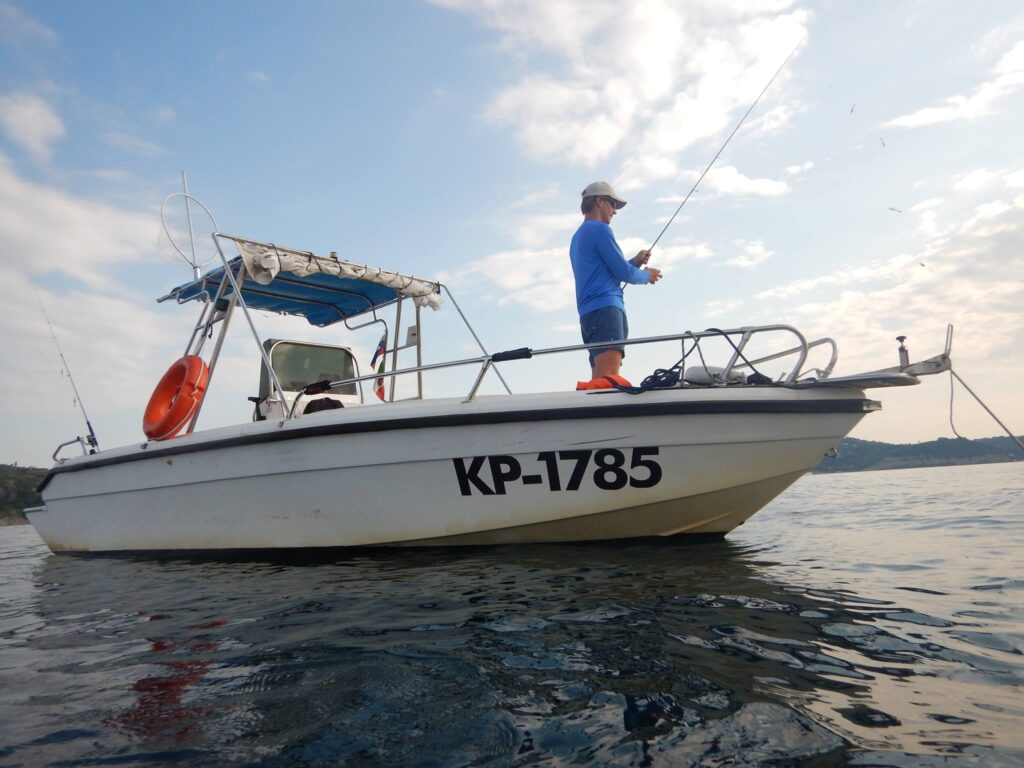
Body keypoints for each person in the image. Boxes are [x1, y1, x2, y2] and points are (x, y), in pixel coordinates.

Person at [570, 181, 662, 388]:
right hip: (606, 311)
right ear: (599, 201)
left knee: (599, 378)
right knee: (609, 379)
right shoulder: (600, 230)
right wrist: (646, 275)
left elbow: (604, 272)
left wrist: (635, 262)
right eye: (612, 204)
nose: (615, 211)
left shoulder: (578, 236)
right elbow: (623, 273)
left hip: (589, 315)